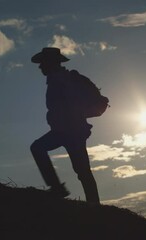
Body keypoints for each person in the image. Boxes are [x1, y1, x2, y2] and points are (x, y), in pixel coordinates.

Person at [30, 47, 100, 203]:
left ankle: (60, 189)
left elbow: (67, 105)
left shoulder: (61, 80)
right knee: (83, 171)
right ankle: (93, 203)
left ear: (50, 63)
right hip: (69, 130)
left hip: (69, 131)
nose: (40, 66)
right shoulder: (60, 79)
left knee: (38, 148)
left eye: (42, 63)